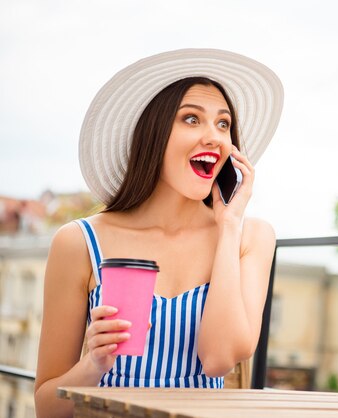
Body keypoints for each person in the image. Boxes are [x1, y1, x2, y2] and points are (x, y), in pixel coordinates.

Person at [34, 49, 284, 417]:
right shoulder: (79, 242)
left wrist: (228, 226)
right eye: (191, 119)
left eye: (223, 124)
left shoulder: (251, 238)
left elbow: (217, 360)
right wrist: (95, 365)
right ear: (153, 132)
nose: (214, 137)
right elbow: (45, 407)